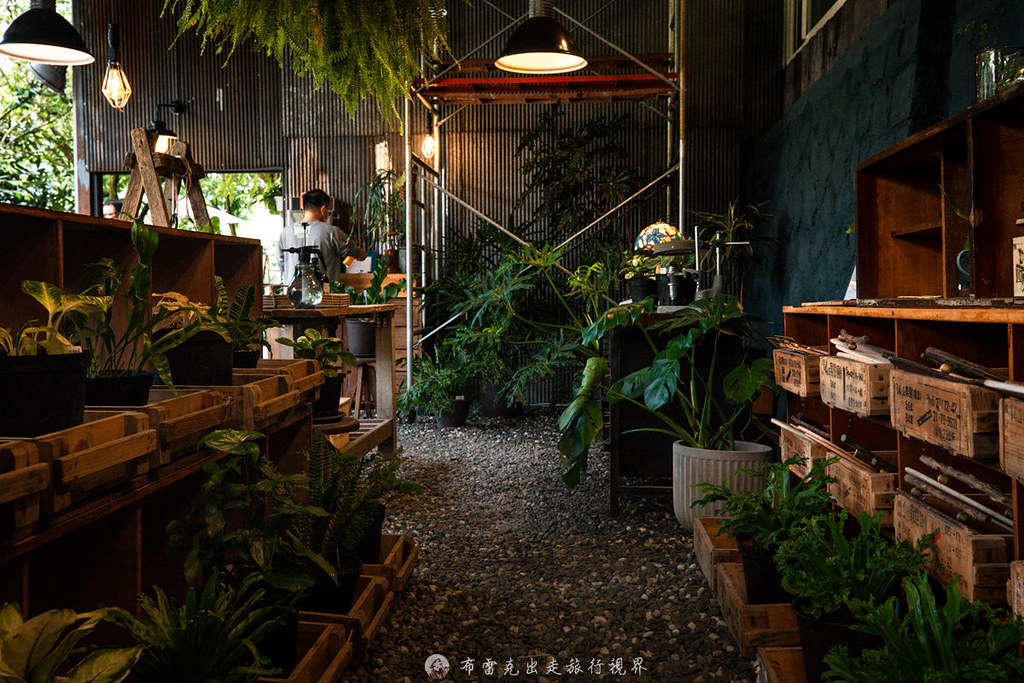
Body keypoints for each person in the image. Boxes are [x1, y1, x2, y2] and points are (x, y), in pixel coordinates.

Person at [278, 189, 367, 283]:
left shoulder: (285, 232)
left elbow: (281, 264)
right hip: (323, 294)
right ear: (323, 209)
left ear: (304, 209)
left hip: (292, 292)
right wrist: (362, 254)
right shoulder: (331, 232)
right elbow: (354, 252)